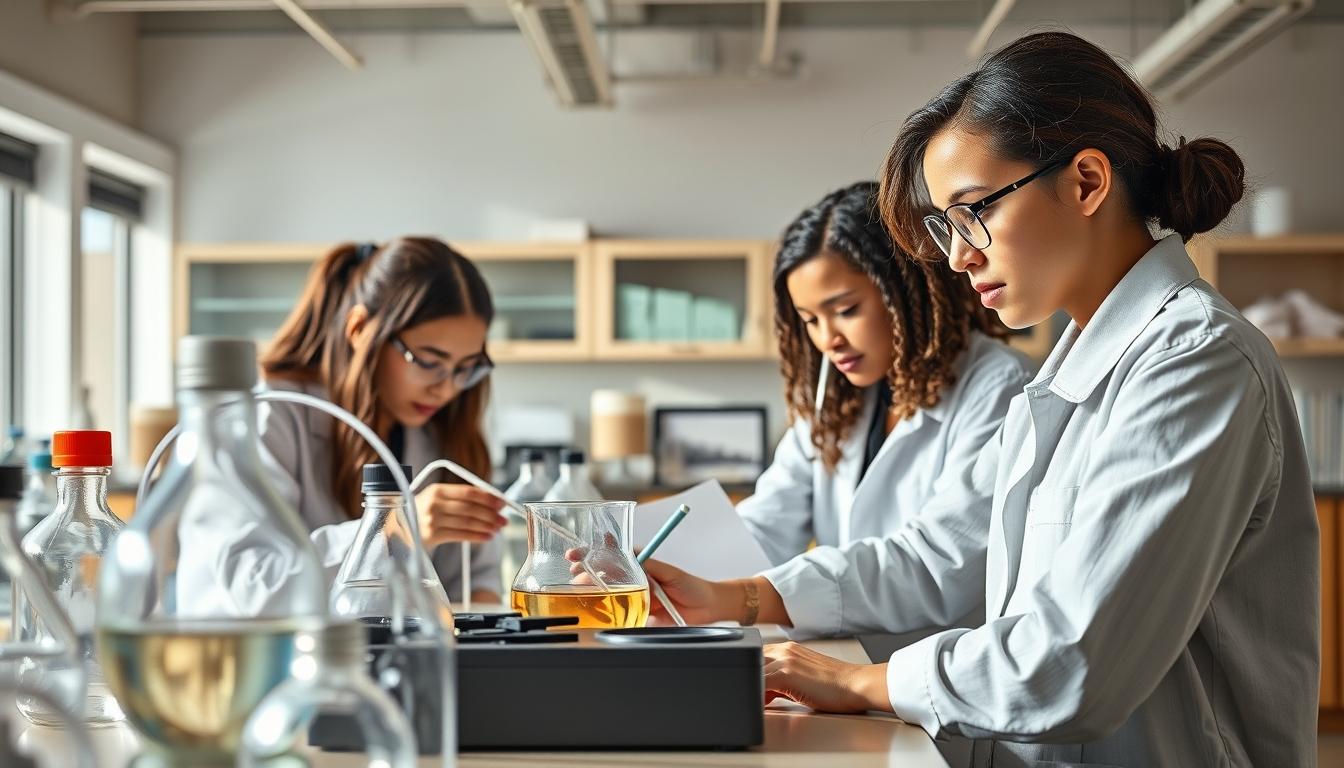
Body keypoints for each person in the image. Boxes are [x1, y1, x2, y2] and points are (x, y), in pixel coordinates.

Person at [645, 31, 1318, 766]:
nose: (960, 255)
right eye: (947, 227)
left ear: (1087, 182)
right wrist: (745, 601)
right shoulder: (1072, 372)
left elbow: (1070, 665)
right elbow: (938, 555)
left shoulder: (1195, 363)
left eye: (974, 212)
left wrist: (862, 682)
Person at [738, 181, 1031, 568]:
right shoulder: (835, 395)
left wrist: (761, 596)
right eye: (810, 320)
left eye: (845, 311)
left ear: (908, 289)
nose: (828, 340)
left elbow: (942, 557)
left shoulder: (999, 387)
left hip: (942, 631)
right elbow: (766, 524)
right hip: (843, 627)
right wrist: (678, 565)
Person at [259, 236, 506, 603]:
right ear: (359, 329)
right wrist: (392, 530)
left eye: (465, 368)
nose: (447, 389)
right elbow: (252, 586)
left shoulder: (443, 429)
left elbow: (473, 585)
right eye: (428, 361)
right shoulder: (268, 413)